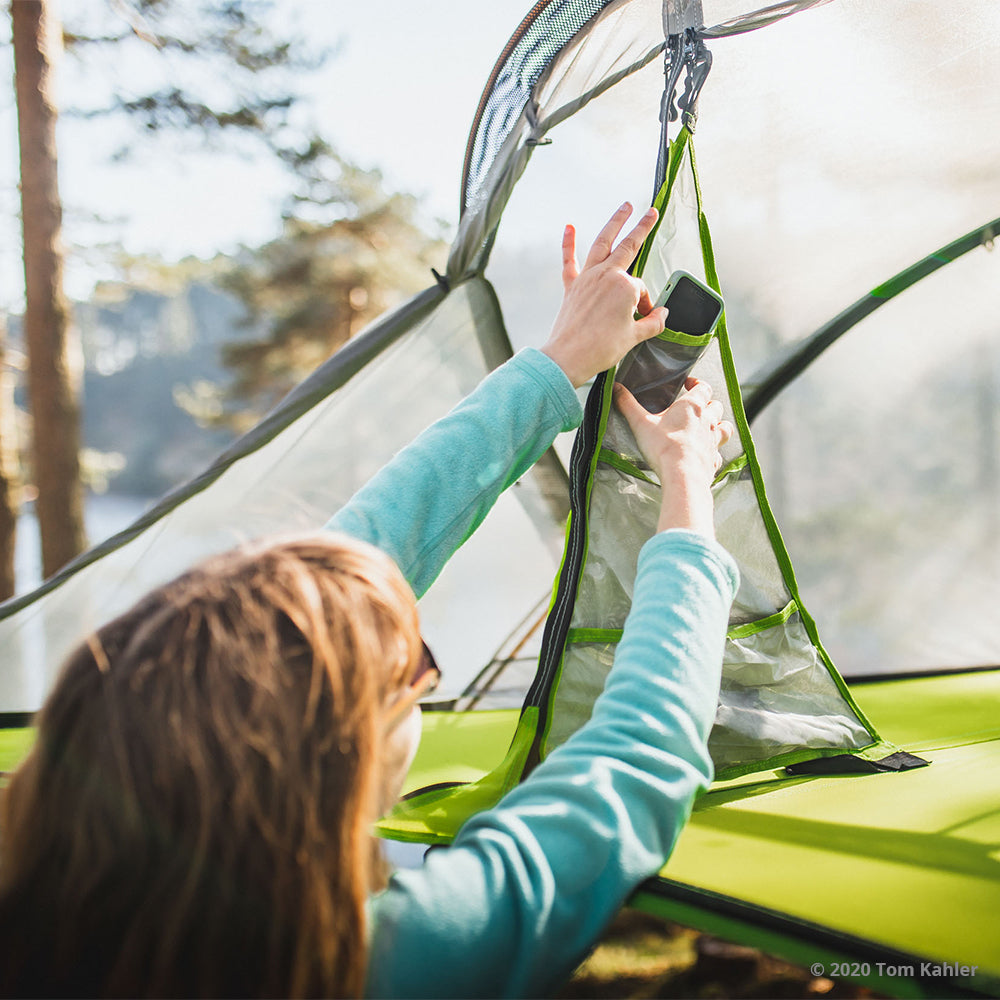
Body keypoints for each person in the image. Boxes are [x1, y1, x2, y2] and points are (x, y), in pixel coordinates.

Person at [0, 203, 737, 998]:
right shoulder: (388, 963)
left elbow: (355, 563)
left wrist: (560, 364)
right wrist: (687, 483)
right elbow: (638, 760)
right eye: (415, 670)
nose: (416, 666)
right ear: (337, 756)